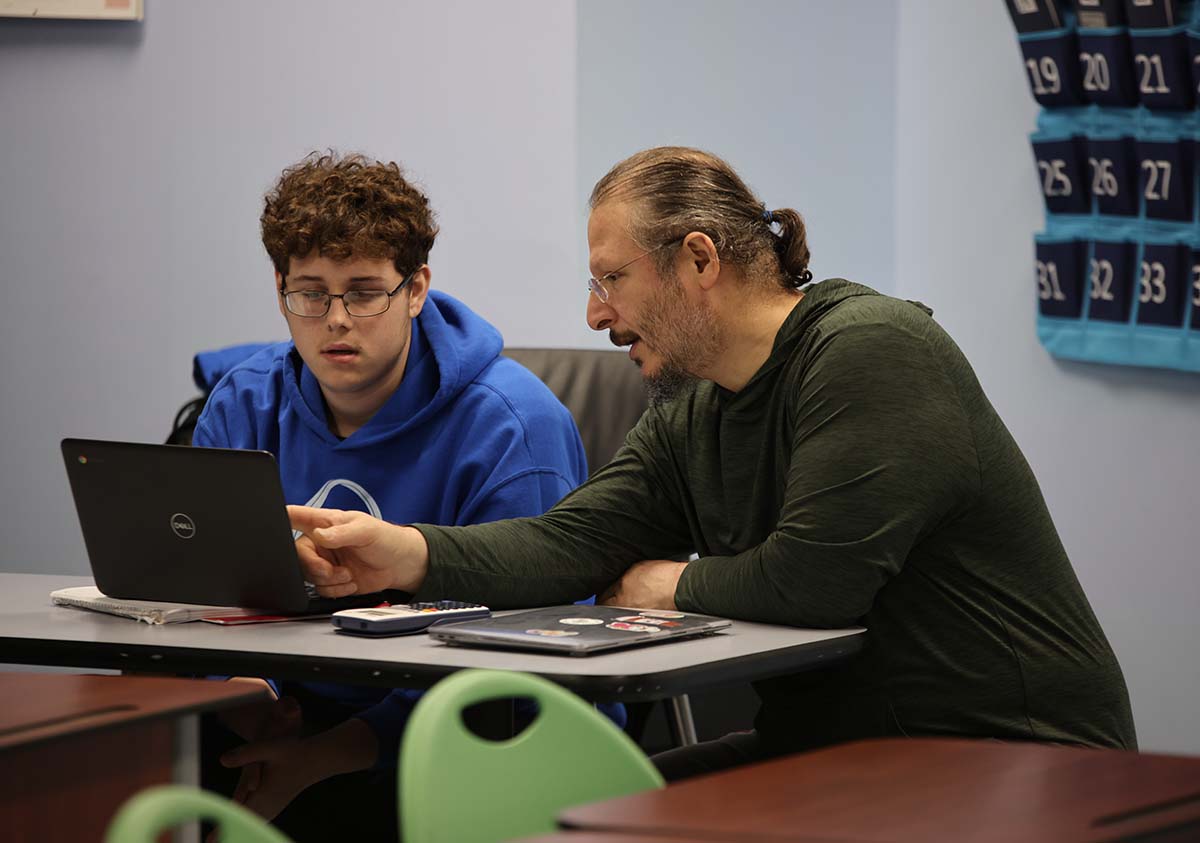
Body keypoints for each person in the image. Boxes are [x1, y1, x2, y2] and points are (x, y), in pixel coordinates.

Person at [289, 146, 1137, 781]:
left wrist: (668, 585)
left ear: (699, 259)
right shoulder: (695, 408)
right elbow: (570, 544)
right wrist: (406, 552)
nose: (595, 313)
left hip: (1012, 761)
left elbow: (814, 584)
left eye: (612, 277)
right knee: (559, 811)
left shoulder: (873, 351)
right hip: (845, 757)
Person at [193, 151, 616, 839]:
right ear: (279, 288)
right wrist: (240, 695)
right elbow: (193, 587)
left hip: (463, 733)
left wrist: (328, 755)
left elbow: (530, 661)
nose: (335, 319)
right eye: (309, 292)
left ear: (416, 288)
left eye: (363, 292)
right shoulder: (243, 403)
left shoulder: (513, 427)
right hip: (281, 710)